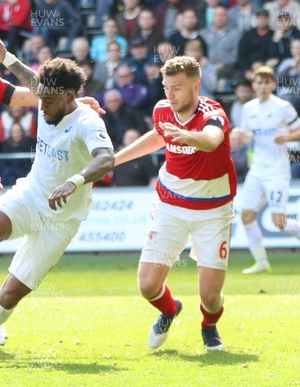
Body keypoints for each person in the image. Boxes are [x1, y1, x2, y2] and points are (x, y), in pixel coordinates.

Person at [0, 34, 114, 361]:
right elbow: (35, 82)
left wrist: (75, 181)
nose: (42, 106)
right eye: (40, 98)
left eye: (50, 102)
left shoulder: (87, 120)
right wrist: (7, 58)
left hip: (62, 218)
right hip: (31, 194)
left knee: (12, 293)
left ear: (71, 97)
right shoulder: (48, 96)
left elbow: (106, 158)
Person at [115, 56, 236, 351]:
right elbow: (157, 137)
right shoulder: (162, 110)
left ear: (196, 86)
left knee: (210, 296)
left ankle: (209, 325)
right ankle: (169, 310)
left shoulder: (213, 112)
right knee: (147, 285)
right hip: (170, 205)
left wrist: (186, 136)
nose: (170, 95)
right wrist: (116, 160)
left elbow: (211, 140)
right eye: (166, 88)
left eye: (177, 88)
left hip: (213, 211)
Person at [231, 66, 300, 274]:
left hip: (278, 170)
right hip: (257, 169)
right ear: (254, 85)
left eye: (268, 82)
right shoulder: (248, 108)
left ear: (273, 85)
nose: (264, 86)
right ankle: (261, 262)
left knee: (279, 222)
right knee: (247, 216)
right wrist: (238, 135)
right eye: (260, 82)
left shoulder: (282, 106)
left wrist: (289, 137)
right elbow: (248, 137)